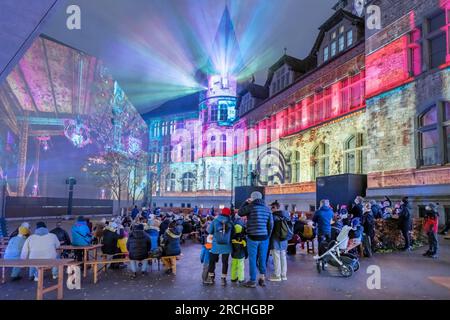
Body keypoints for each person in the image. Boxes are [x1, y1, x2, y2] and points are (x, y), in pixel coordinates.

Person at [238, 191, 273, 288]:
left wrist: (246, 202)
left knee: (252, 259)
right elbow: (271, 225)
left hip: (252, 237)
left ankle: (252, 280)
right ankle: (262, 278)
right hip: (264, 238)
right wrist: (267, 236)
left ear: (252, 198)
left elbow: (240, 213)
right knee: (262, 258)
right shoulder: (267, 209)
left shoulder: (250, 207)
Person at [204, 207, 234, 286]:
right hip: (227, 245)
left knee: (212, 261)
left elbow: (209, 231)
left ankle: (211, 278)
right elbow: (233, 234)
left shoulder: (215, 220)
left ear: (221, 212)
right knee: (225, 262)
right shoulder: (230, 222)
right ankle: (223, 279)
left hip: (215, 245)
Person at [269, 201, 290, 282]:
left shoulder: (273, 216)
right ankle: (283, 275)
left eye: (272, 207)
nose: (271, 209)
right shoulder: (286, 215)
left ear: (275, 207)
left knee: (276, 256)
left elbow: (271, 228)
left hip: (275, 239)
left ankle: (277, 275)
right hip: (284, 239)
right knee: (283, 256)